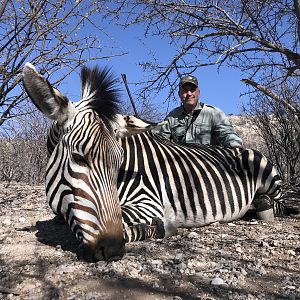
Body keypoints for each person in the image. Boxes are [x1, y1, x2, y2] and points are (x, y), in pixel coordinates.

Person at [159, 75, 243, 148]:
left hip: (208, 163)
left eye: (192, 90)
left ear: (198, 93)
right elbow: (162, 142)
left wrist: (235, 146)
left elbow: (228, 135)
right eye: (185, 90)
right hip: (181, 163)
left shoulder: (213, 113)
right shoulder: (172, 117)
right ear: (179, 94)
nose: (189, 93)